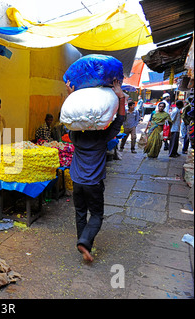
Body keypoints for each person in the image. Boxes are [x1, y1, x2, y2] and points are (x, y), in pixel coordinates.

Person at [66, 79, 126, 262]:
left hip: (77, 181)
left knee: (80, 212)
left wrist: (71, 95)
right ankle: (84, 242)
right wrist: (120, 96)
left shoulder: (75, 135)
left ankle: (83, 243)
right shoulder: (103, 137)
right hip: (93, 183)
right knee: (97, 214)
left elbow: (70, 120)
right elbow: (120, 119)